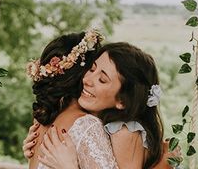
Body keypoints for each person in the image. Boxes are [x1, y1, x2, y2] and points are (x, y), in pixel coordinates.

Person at [24, 32, 178, 169]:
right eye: (91, 69)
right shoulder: (87, 125)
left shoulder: (123, 131)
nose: (88, 79)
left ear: (122, 101)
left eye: (102, 80)